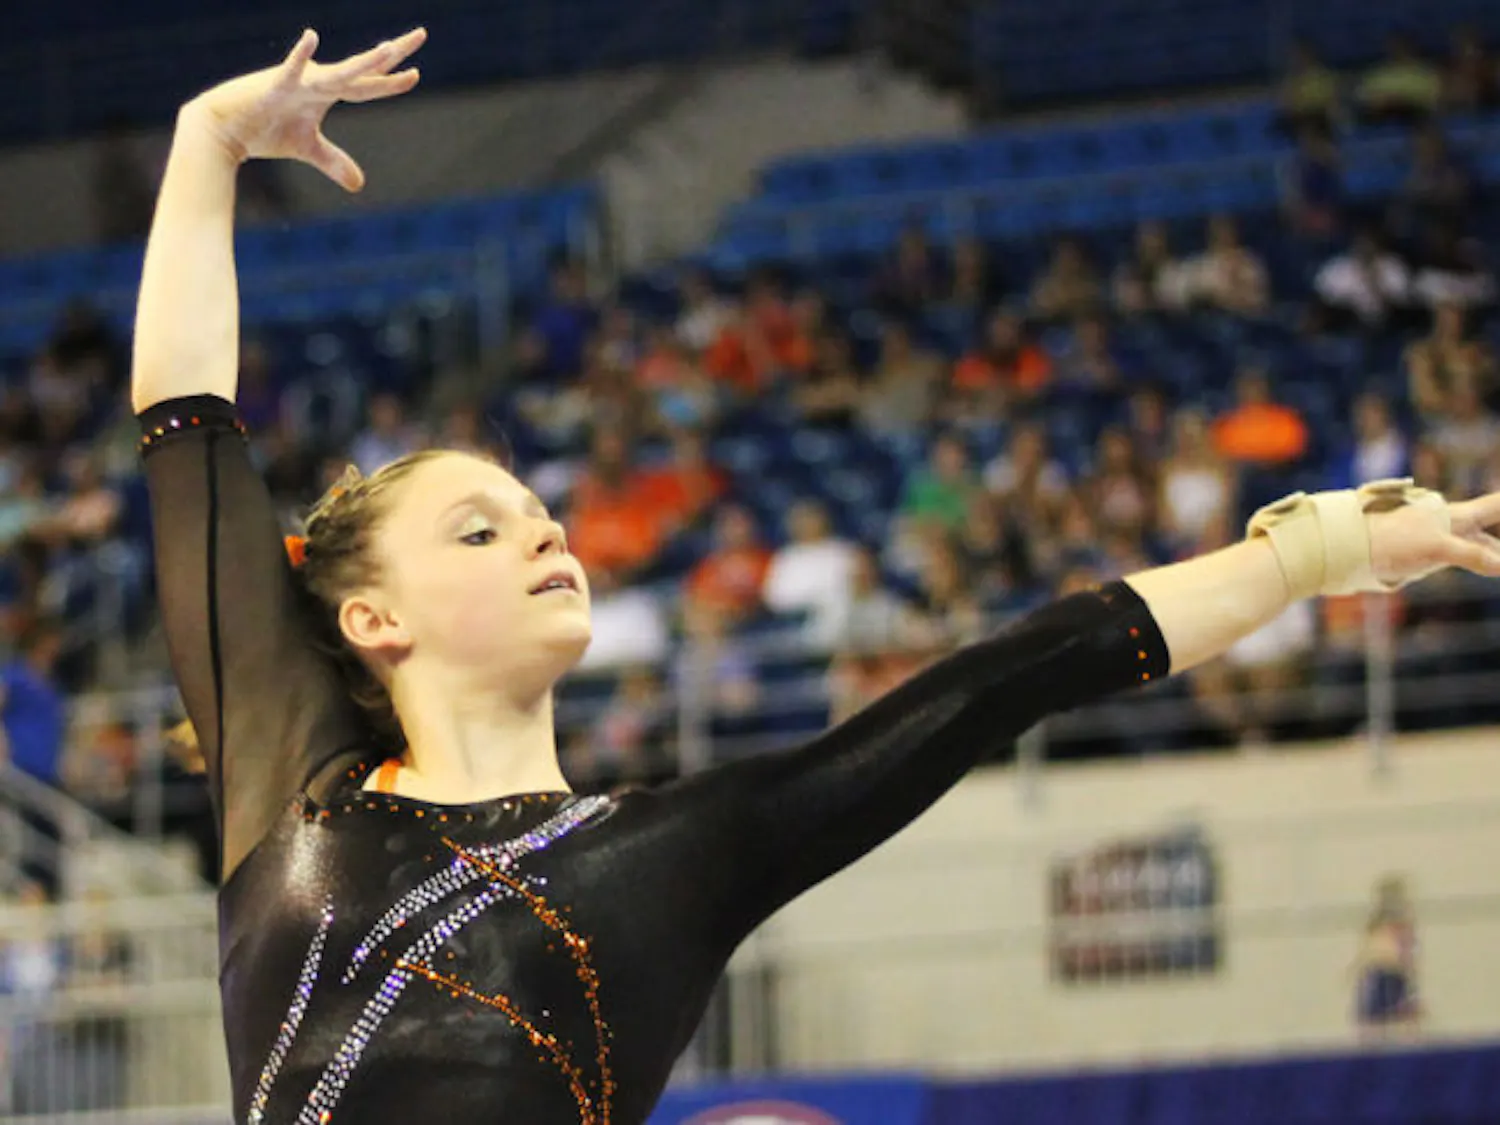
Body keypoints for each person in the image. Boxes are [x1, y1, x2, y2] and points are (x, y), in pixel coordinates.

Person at [132, 31, 1500, 1125]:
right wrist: (210, 141)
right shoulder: (291, 779)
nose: (551, 535)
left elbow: (1017, 673)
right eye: (482, 532)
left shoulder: (681, 850)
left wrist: (1320, 550)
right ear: (371, 619)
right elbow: (189, 426)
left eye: (545, 515)